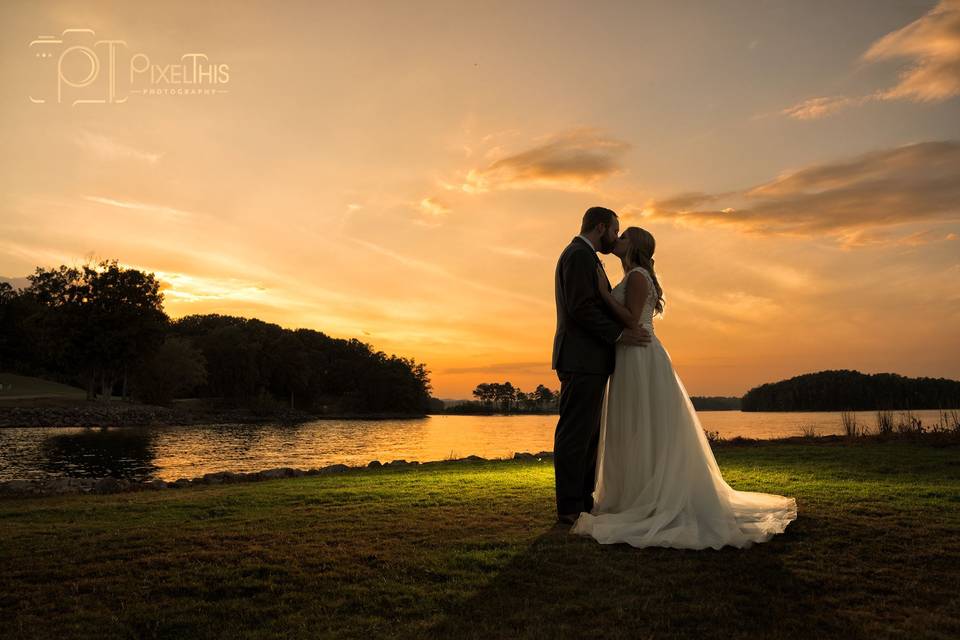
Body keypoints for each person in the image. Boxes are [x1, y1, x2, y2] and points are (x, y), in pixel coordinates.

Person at [569, 225, 798, 549]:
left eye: (622, 238)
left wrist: (604, 296)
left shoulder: (636, 276)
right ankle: (637, 493)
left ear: (633, 246)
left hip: (639, 356)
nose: (616, 241)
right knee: (640, 427)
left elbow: (633, 320)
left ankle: (643, 499)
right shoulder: (635, 274)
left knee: (641, 425)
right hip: (634, 355)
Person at [551, 206, 651, 525]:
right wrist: (620, 334)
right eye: (614, 230)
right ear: (601, 227)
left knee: (589, 435)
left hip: (590, 358)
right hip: (581, 357)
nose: (615, 237)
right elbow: (581, 308)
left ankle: (582, 501)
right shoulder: (579, 255)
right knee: (575, 433)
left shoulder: (587, 256)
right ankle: (569, 506)